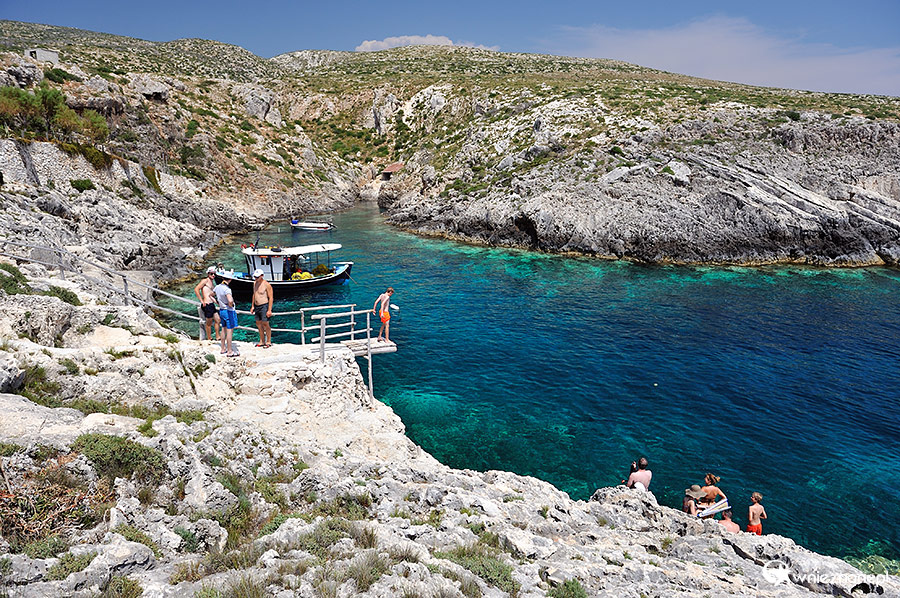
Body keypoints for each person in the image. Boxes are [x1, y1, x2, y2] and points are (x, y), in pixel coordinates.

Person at [213, 272, 239, 357]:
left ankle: (223, 348)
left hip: (222, 310)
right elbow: (230, 300)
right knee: (229, 331)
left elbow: (210, 295)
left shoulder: (217, 287)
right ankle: (229, 351)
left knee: (223, 329)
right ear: (230, 279)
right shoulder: (227, 289)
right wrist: (231, 305)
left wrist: (217, 302)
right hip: (228, 311)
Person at [194, 266, 220, 342]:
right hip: (207, 304)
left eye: (214, 274)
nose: (213, 275)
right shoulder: (205, 281)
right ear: (208, 274)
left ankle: (217, 336)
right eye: (211, 274)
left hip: (212, 304)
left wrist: (217, 302)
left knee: (218, 320)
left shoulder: (212, 283)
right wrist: (202, 301)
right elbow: (196, 289)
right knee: (209, 322)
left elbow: (210, 295)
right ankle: (209, 338)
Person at [251, 268, 273, 348]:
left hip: (264, 305)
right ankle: (262, 341)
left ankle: (268, 341)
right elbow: (254, 294)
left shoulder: (267, 285)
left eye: (257, 277)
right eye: (255, 277)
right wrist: (252, 306)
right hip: (257, 306)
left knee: (265, 323)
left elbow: (271, 297)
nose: (256, 278)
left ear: (262, 276)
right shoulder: (254, 283)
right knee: (258, 323)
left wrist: (269, 310)